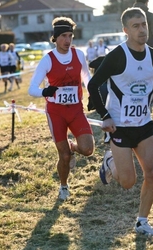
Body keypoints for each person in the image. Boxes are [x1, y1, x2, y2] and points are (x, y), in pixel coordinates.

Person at [87, 7, 153, 236]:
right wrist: (105, 115)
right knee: (127, 182)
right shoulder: (117, 55)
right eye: (135, 26)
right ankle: (110, 162)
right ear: (126, 30)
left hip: (144, 123)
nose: (142, 29)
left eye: (144, 24)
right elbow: (93, 85)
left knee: (152, 172)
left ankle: (142, 222)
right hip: (119, 125)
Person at [28, 16, 95, 201]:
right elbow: (31, 88)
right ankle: (64, 186)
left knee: (88, 149)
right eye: (63, 36)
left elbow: (87, 79)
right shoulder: (47, 59)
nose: (67, 40)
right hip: (56, 112)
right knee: (64, 155)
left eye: (70, 36)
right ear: (55, 38)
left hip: (75, 110)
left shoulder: (78, 54)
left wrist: (94, 93)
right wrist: (44, 91)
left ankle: (73, 147)